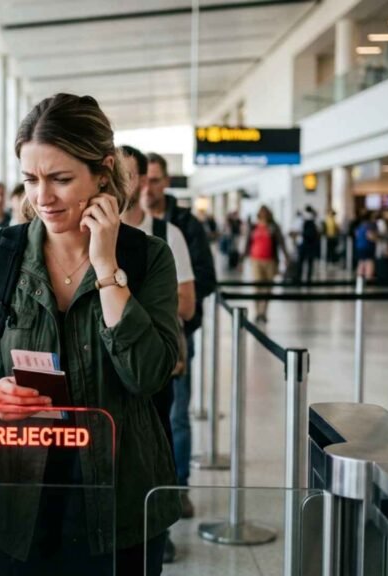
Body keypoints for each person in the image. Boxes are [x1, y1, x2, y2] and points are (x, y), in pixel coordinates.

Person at [0, 94, 180, 575]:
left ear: (103, 171)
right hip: (19, 499)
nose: (41, 196)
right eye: (30, 179)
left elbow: (149, 375)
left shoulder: (147, 259)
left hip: (122, 499)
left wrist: (108, 271)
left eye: (61, 179)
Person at [120, 144, 195, 564]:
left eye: (137, 176)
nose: (131, 184)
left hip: (158, 359)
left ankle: (159, 527)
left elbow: (186, 305)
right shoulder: (95, 231)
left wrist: (126, 296)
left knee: (162, 435)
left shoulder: (167, 236)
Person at [142, 151, 217, 519]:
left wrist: (163, 300)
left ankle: (179, 485)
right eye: (145, 179)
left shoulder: (183, 225)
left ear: (164, 181)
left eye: (155, 179)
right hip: (141, 338)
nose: (148, 187)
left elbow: (204, 278)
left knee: (177, 415)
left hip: (177, 334)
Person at [243, 205, 289, 322]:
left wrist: (286, 257)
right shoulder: (254, 227)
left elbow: (281, 242)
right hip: (256, 260)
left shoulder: (273, 227)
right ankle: (258, 312)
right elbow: (248, 243)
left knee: (268, 288)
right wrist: (242, 258)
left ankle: (264, 312)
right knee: (258, 287)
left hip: (270, 261)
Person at [298, 205, 320, 283]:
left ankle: (300, 278)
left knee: (302, 262)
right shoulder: (313, 219)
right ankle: (308, 279)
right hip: (310, 244)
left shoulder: (302, 218)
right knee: (309, 263)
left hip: (306, 244)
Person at [355, 211, 377, 279]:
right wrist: (376, 238)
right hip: (367, 247)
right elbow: (370, 236)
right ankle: (368, 279)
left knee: (361, 262)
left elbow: (356, 234)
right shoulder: (369, 225)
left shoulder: (360, 225)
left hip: (359, 246)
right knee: (369, 262)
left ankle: (359, 280)